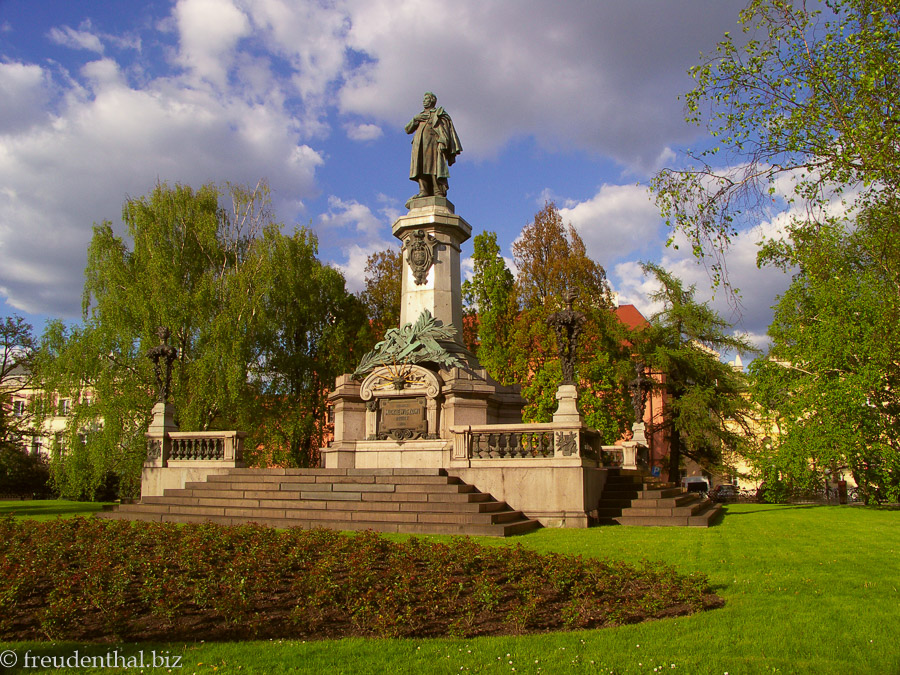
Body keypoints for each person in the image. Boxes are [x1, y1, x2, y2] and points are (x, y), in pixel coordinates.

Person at [405, 92, 462, 201]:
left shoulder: (438, 113)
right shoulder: (419, 115)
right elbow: (407, 129)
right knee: (420, 166)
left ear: (432, 101)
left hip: (433, 144)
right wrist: (415, 119)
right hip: (419, 145)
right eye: (424, 99)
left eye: (426, 99)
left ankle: (437, 190)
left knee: (434, 166)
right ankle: (423, 190)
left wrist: (443, 142)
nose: (424, 101)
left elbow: (444, 129)